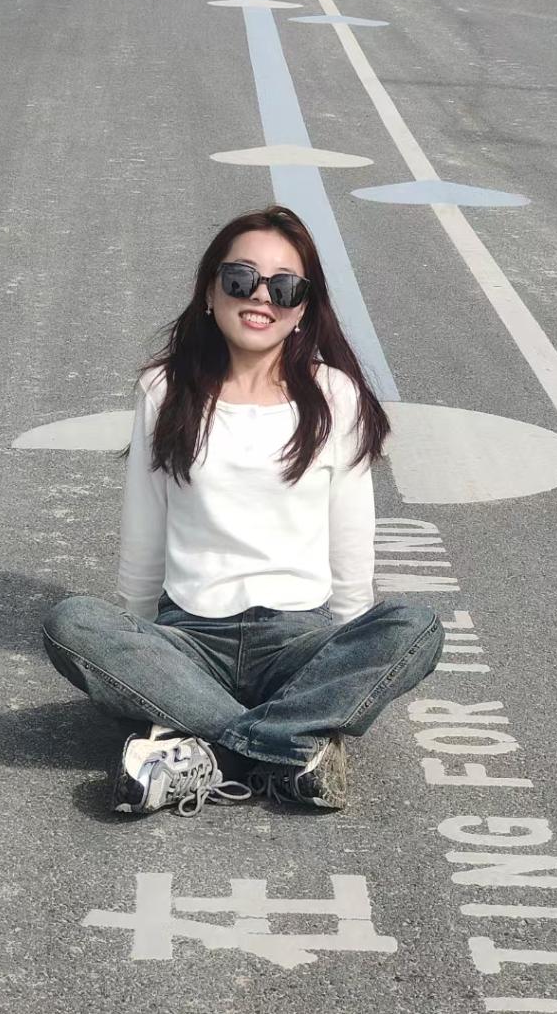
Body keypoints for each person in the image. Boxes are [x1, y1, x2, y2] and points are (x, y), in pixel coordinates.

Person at [42, 206, 443, 817]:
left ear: (304, 308)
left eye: (285, 287)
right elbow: (144, 525)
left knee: (416, 626)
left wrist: (344, 653)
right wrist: (144, 651)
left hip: (296, 640)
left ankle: (208, 750)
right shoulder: (164, 389)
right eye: (241, 278)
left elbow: (351, 536)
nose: (261, 297)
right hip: (190, 638)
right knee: (70, 622)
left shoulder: (334, 395)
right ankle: (289, 745)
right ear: (210, 291)